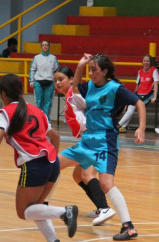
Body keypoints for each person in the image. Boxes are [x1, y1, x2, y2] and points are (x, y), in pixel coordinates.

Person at [0, 74, 78, 242]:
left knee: (23, 212)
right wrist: (53, 162)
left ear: (3, 94)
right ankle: (54, 240)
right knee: (36, 208)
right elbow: (56, 136)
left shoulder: (5, 112)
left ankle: (65, 212)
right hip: (52, 163)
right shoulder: (37, 111)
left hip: (34, 165)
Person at [58, 53, 146, 240]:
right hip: (88, 140)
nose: (90, 74)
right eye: (89, 70)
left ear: (105, 71)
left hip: (105, 142)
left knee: (106, 184)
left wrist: (141, 128)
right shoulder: (89, 86)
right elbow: (75, 88)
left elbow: (139, 102)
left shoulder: (115, 88)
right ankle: (44, 207)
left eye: (93, 70)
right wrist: (81, 66)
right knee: (54, 163)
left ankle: (128, 227)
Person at [54, 66, 116, 225]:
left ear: (71, 80)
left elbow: (93, 104)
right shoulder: (68, 97)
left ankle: (104, 209)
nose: (57, 83)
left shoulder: (74, 95)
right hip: (91, 141)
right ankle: (101, 208)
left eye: (61, 79)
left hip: (96, 141)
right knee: (78, 175)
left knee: (55, 165)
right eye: (55, 80)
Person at [118, 54, 159, 133]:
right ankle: (123, 126)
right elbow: (137, 85)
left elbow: (156, 83)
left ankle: (118, 124)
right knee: (130, 106)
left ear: (150, 62)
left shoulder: (154, 71)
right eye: (144, 61)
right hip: (139, 92)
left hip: (148, 94)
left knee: (134, 106)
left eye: (147, 61)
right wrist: (133, 95)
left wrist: (155, 96)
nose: (146, 63)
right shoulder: (140, 71)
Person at [29, 40, 59, 120]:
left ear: (49, 46)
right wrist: (31, 81)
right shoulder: (36, 58)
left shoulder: (53, 58)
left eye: (46, 45)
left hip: (50, 82)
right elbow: (32, 69)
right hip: (38, 81)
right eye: (43, 45)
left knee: (48, 103)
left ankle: (46, 121)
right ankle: (39, 120)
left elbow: (56, 71)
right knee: (39, 102)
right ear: (41, 47)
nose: (45, 46)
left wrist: (56, 82)